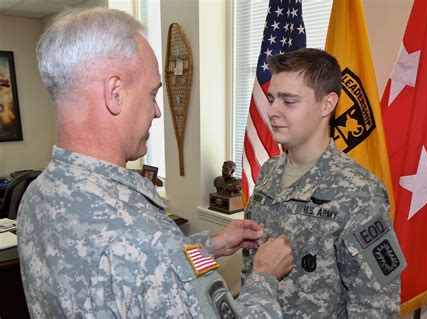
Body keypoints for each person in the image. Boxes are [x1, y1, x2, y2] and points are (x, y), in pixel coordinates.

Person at [17, 8, 294, 318]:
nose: (157, 111)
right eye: (152, 93)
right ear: (115, 93)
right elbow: (152, 265)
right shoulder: (142, 236)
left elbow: (141, 277)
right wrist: (265, 277)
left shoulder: (37, 195)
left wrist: (210, 245)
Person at [241, 48, 407, 318]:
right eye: (272, 99)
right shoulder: (269, 172)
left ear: (327, 104)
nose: (272, 111)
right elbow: (251, 266)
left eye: (289, 101)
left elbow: (377, 306)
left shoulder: (359, 191)